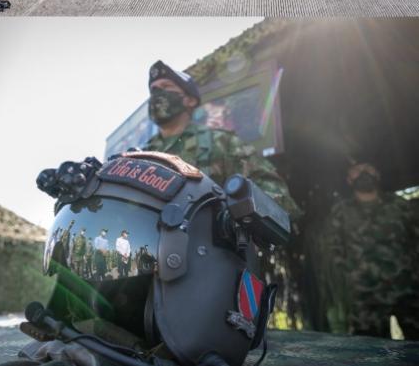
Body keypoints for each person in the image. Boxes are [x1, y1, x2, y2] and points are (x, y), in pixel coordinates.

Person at [141, 60, 299, 219]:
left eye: (166, 86)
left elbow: (275, 195)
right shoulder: (142, 155)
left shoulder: (221, 142)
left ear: (190, 100)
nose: (157, 93)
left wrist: (232, 218)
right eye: (154, 89)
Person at [323, 161, 419, 338]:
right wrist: (353, 273)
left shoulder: (400, 205)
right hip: (365, 296)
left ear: (378, 175)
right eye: (357, 170)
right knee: (369, 346)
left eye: (368, 168)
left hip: (408, 290)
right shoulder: (341, 212)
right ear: (349, 179)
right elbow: (334, 249)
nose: (363, 173)